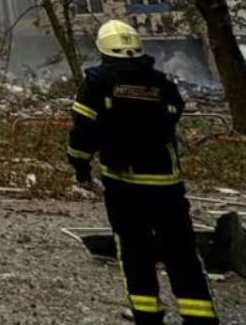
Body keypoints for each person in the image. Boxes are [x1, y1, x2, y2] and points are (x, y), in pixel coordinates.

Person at [68, 20, 218, 324]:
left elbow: (82, 133)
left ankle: (147, 314)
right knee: (181, 250)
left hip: (123, 183)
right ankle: (200, 316)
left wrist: (81, 169)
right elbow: (174, 113)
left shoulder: (98, 84)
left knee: (134, 249)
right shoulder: (161, 83)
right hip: (167, 183)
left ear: (102, 50)